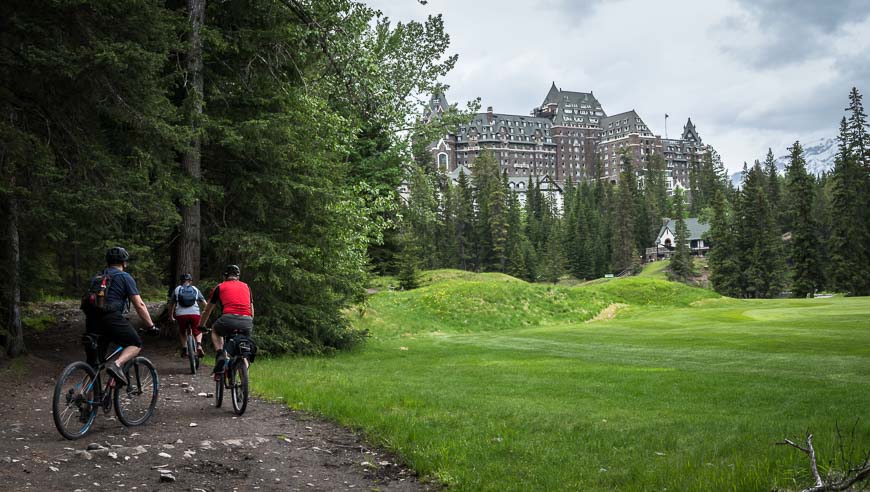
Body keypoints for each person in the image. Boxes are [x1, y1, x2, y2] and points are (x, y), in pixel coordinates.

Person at [82, 247, 159, 385]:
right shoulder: (125, 277)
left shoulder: (97, 277)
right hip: (111, 318)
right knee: (135, 343)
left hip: (92, 321)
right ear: (124, 263)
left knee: (94, 365)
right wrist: (151, 326)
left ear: (107, 262)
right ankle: (116, 365)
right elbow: (139, 304)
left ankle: (83, 396)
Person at [198, 265, 253, 374]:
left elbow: (207, 310)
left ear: (225, 276)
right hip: (247, 321)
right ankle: (244, 380)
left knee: (215, 330)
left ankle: (221, 354)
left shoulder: (220, 287)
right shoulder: (247, 286)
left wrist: (201, 325)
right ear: (238, 276)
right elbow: (251, 309)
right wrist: (249, 323)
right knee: (244, 350)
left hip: (228, 319)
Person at [168, 273, 207, 358]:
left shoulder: (177, 289)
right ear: (190, 281)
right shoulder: (195, 289)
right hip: (195, 314)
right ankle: (199, 345)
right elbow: (205, 303)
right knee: (198, 330)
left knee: (182, 331)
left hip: (181, 315)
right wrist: (205, 313)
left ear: (181, 281)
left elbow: (171, 305)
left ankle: (184, 349)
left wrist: (171, 316)